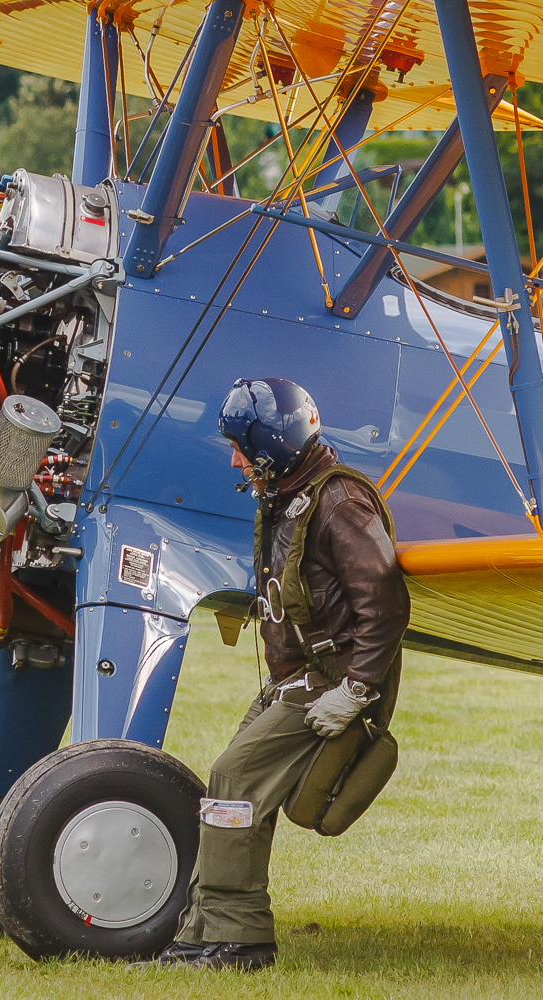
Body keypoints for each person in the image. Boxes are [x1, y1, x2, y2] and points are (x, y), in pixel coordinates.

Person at [140, 377, 411, 971]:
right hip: (299, 678)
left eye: (243, 447)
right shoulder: (292, 492)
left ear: (274, 442)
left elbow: (385, 603)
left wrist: (356, 690)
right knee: (232, 789)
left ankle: (239, 941)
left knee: (234, 779)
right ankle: (200, 934)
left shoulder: (338, 502)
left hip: (330, 681)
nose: (236, 460)